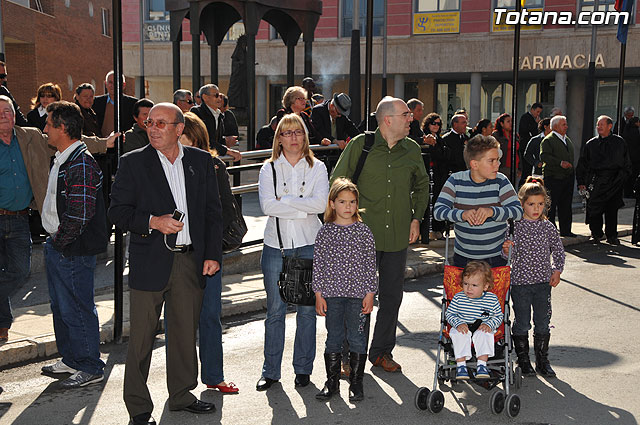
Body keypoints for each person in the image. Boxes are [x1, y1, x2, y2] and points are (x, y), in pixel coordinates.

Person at [108, 103, 222, 424]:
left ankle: (182, 395)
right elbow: (116, 212)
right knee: (142, 339)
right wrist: (152, 221)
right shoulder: (133, 163)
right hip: (149, 262)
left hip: (190, 261)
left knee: (185, 334)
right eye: (149, 122)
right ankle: (139, 407)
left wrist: (212, 254)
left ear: (179, 129)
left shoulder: (200, 162)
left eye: (161, 123)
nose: (153, 128)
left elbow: (213, 213)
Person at [0, 95, 115, 344]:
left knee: (23, 274)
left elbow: (72, 139)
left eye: (8, 111)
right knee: (61, 304)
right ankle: (7, 324)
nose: (4, 116)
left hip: (23, 221)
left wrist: (104, 143)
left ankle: (85, 361)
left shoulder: (32, 138)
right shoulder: (60, 155)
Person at [331, 96, 429, 372]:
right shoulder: (360, 145)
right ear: (388, 120)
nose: (411, 119)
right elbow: (337, 182)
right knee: (357, 298)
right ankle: (350, 355)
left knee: (391, 297)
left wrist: (416, 218)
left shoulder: (411, 149)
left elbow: (422, 185)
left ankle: (381, 352)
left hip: (397, 235)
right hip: (361, 237)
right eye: (406, 114)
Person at [256, 113, 329, 391]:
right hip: (277, 246)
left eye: (297, 132)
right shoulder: (268, 169)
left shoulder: (317, 167)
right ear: (279, 138)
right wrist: (302, 204)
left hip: (309, 243)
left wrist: (284, 200)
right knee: (275, 310)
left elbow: (321, 203)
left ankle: (303, 369)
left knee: (307, 311)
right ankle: (271, 371)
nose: (293, 138)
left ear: (304, 135)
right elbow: (266, 207)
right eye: (287, 133)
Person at [39, 101, 108, 388]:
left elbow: (79, 214)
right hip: (61, 245)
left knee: (77, 308)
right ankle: (71, 359)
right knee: (61, 307)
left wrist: (59, 243)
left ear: (63, 128)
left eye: (49, 124)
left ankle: (91, 365)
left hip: (71, 249)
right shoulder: (65, 157)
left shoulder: (80, 161)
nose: (44, 129)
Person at [178, 112, 239, 394]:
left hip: (207, 254)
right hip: (174, 254)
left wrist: (211, 249)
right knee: (178, 322)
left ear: (195, 137)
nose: (175, 140)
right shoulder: (164, 163)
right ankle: (180, 382)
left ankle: (214, 376)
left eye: (181, 135)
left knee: (209, 316)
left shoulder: (212, 166)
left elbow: (226, 211)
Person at [313, 178, 377, 402]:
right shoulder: (325, 232)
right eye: (342, 201)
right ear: (332, 204)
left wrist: (370, 293)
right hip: (332, 296)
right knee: (334, 338)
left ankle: (356, 384)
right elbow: (318, 265)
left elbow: (371, 265)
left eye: (352, 201)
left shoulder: (363, 231)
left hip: (358, 296)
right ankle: (331, 383)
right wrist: (318, 294)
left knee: (357, 338)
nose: (348, 206)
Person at [502, 177, 565, 378]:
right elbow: (505, 255)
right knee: (521, 322)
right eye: (531, 204)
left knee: (543, 321)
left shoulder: (547, 227)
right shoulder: (514, 227)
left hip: (543, 284)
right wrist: (506, 249)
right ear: (521, 204)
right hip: (520, 284)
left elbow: (558, 250)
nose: (536, 208)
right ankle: (523, 360)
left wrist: (557, 270)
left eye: (540, 204)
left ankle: (542, 360)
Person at [433, 135, 523, 268]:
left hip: (496, 257)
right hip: (463, 257)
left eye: (498, 160)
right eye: (491, 160)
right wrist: (462, 215)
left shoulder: (501, 181)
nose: (498, 164)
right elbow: (438, 211)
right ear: (474, 164)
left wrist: (492, 211)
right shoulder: (455, 180)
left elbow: (518, 211)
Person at [576, 115, 631, 244]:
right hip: (596, 181)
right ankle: (596, 233)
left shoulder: (619, 142)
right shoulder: (591, 144)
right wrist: (581, 182)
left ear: (609, 126)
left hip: (614, 181)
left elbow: (626, 164)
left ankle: (612, 235)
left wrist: (621, 179)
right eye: (597, 124)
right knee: (594, 210)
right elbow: (582, 164)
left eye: (601, 124)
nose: (599, 127)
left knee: (612, 210)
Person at [445, 260, 503, 380]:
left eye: (474, 285)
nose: (469, 288)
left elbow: (498, 316)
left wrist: (489, 324)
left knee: (485, 334)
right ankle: (461, 366)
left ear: (485, 286)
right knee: (459, 334)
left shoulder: (491, 299)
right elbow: (449, 314)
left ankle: (482, 365)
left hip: (482, 326)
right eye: (466, 284)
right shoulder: (459, 298)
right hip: (463, 325)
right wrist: (458, 323)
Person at [540, 115, 576, 237]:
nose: (566, 126)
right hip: (554, 177)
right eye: (563, 124)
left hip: (567, 177)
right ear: (555, 126)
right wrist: (560, 163)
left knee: (566, 205)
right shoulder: (548, 140)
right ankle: (550, 231)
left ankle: (566, 230)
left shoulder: (567, 139)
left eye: (566, 124)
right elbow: (544, 156)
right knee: (552, 204)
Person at [190, 84, 242, 161]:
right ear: (205, 97)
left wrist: (226, 141)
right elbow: (204, 140)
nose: (220, 99)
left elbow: (217, 140)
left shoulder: (219, 115)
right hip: (199, 158)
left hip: (213, 158)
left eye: (220, 96)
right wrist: (228, 151)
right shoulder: (196, 112)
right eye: (216, 95)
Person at [420, 113, 448, 241]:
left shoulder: (440, 139)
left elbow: (444, 156)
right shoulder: (424, 137)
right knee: (428, 202)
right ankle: (427, 231)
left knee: (437, 200)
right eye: (433, 123)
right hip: (428, 173)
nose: (436, 126)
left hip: (439, 175)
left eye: (438, 124)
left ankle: (437, 229)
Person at [92, 71, 139, 139]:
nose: (113, 85)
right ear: (106, 84)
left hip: (125, 145)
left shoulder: (133, 104)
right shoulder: (96, 102)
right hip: (102, 146)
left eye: (117, 82)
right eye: (110, 82)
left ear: (124, 85)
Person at [518, 103, 543, 186]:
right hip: (525, 146)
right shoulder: (525, 117)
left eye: (540, 112)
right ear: (532, 109)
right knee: (526, 169)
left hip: (533, 147)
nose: (538, 114)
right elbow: (524, 131)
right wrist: (535, 124)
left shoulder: (535, 119)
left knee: (530, 169)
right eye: (537, 111)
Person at [0, 61, 28, 127]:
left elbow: (18, 117)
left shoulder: (3, 91)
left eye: (4, 76)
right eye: (1, 76)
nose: (4, 79)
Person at [492, 113, 519, 179]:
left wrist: (520, 167)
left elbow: (519, 152)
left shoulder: (514, 135)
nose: (511, 123)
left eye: (511, 121)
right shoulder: (496, 135)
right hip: (502, 167)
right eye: (508, 121)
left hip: (515, 167)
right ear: (501, 124)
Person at [622, 116, 640, 197]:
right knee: (634, 175)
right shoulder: (636, 131)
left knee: (628, 176)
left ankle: (627, 192)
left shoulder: (627, 131)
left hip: (628, 157)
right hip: (635, 158)